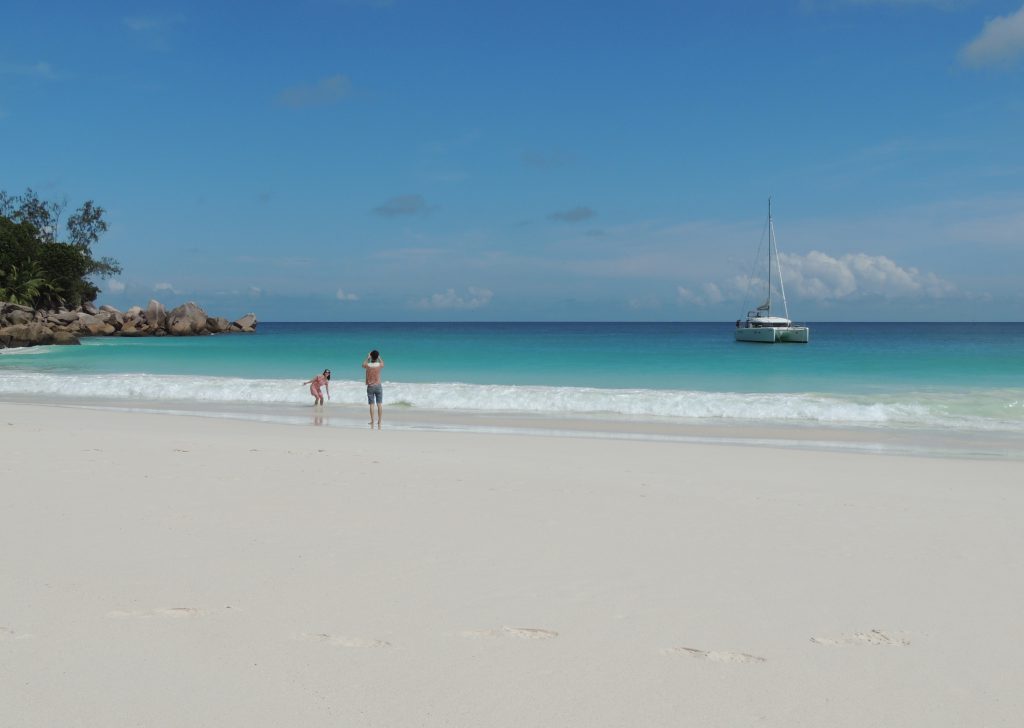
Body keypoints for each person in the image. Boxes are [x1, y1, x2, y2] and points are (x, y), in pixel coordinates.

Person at [362, 350, 384, 428]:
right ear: (377, 357)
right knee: (379, 404)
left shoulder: (368, 365)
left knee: (371, 405)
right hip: (378, 386)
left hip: (370, 387)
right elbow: (383, 363)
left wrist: (368, 357)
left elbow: (363, 365)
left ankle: (372, 421)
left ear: (371, 356)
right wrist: (379, 357)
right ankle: (379, 421)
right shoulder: (379, 365)